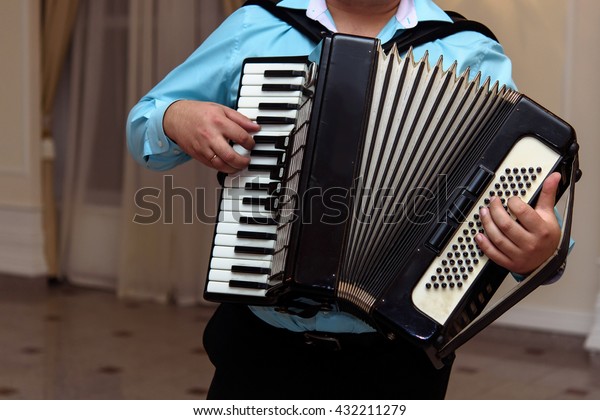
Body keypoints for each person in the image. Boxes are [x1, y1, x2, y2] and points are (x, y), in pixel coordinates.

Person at [126, 0, 563, 399]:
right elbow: (143, 121)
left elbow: (510, 192)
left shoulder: (469, 49)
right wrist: (174, 116)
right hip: (260, 345)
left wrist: (540, 252)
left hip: (395, 358)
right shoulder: (256, 26)